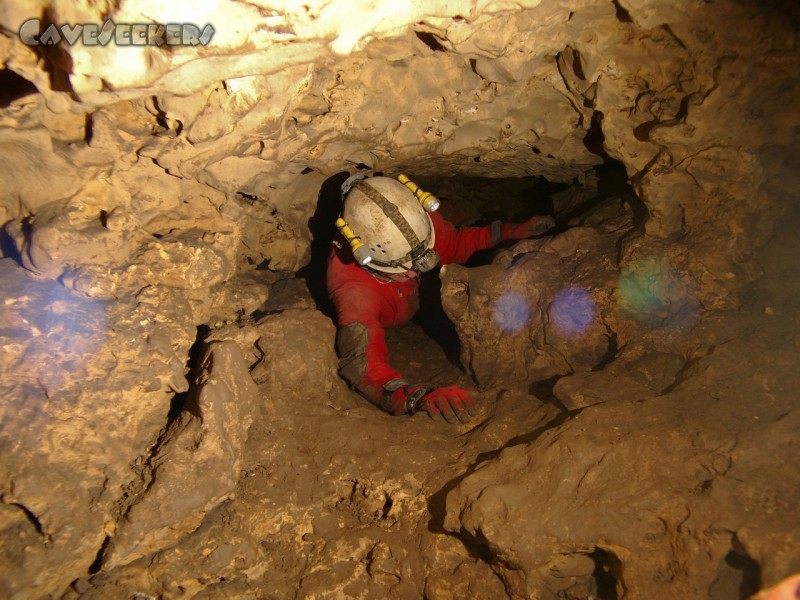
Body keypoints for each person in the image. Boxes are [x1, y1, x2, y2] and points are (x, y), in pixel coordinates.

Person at [326, 174, 554, 424]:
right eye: (403, 269)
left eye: (423, 260)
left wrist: (511, 230)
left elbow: (456, 243)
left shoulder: (418, 225)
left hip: (420, 286)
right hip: (401, 310)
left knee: (458, 211)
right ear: (366, 259)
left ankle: (468, 206)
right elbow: (362, 364)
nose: (416, 271)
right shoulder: (353, 289)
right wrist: (414, 397)